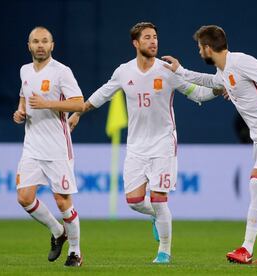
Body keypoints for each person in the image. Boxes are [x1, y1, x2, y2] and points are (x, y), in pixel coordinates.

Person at [68, 22, 222, 264]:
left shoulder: (168, 70)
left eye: (155, 37)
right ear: (136, 43)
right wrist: (78, 112)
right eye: (148, 37)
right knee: (134, 201)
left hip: (163, 143)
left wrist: (216, 89)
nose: (153, 42)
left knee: (159, 198)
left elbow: (197, 94)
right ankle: (156, 217)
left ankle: (164, 251)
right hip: (136, 146)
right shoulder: (124, 72)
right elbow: (102, 94)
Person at [162, 25, 257, 264]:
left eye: (199, 48)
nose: (199, 52)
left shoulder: (240, 61)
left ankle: (246, 248)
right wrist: (180, 71)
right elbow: (211, 81)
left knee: (256, 182)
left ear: (207, 48)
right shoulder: (224, 72)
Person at [13, 26, 84, 267]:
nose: (40, 45)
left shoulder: (61, 72)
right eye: (36, 41)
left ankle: (75, 252)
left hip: (57, 149)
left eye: (45, 41)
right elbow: (24, 94)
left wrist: (47, 104)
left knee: (63, 202)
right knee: (24, 198)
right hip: (32, 146)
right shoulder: (24, 70)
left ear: (52, 45)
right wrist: (20, 111)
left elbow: (79, 104)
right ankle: (58, 232)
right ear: (29, 45)